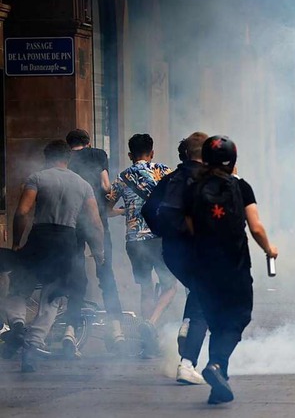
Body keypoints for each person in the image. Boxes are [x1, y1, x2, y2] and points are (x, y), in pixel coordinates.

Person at [185, 135, 278, 404]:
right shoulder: (241, 187)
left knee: (216, 322)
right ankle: (216, 365)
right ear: (232, 160)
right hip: (235, 266)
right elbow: (256, 227)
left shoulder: (193, 187)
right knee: (237, 319)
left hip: (203, 268)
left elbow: (189, 227)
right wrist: (269, 250)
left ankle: (218, 386)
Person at [2, 140, 104, 371]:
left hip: (40, 238)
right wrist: (98, 252)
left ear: (46, 157)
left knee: (19, 288)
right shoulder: (83, 184)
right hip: (67, 243)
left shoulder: (37, 178)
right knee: (53, 297)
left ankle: (17, 326)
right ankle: (32, 346)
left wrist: (17, 242)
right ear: (67, 158)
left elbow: (22, 213)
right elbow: (95, 223)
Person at [146, 132, 209, 384]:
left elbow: (147, 209)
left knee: (196, 289)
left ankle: (186, 324)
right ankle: (187, 364)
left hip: (172, 252)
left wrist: (163, 232)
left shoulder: (170, 179)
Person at [106, 133, 177, 357]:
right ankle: (152, 323)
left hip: (135, 240)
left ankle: (147, 346)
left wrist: (126, 211)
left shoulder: (121, 178)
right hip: (160, 238)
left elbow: (107, 210)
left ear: (130, 154)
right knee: (170, 285)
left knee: (146, 288)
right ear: (152, 152)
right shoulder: (165, 172)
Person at [64, 128, 125, 357]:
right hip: (97, 221)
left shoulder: (65, 159)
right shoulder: (97, 154)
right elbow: (106, 185)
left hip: (71, 223)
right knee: (106, 274)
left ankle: (70, 331)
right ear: (88, 142)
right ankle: (117, 331)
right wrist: (112, 200)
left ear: (69, 145)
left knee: (76, 277)